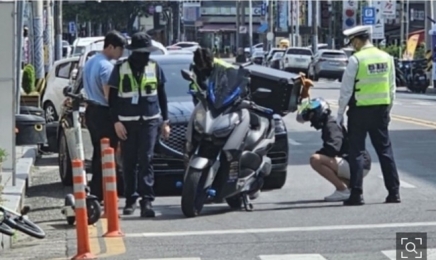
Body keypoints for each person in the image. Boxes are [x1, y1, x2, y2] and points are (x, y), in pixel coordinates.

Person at [107, 32, 170, 217]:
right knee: (129, 162)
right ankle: (131, 199)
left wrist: (165, 122)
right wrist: (116, 122)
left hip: (150, 121)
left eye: (147, 52)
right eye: (142, 52)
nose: (145, 55)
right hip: (127, 123)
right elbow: (112, 100)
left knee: (146, 159)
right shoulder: (120, 68)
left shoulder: (154, 67)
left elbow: (162, 96)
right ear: (133, 52)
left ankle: (147, 201)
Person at [337, 25, 400, 206]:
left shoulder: (356, 59)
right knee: (385, 151)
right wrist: (388, 111)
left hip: (359, 112)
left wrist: (340, 114)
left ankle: (357, 194)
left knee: (356, 152)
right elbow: (392, 88)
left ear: (357, 40)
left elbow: (346, 90)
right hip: (380, 111)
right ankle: (394, 193)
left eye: (353, 43)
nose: (353, 46)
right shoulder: (387, 58)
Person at [297, 98, 372, 202]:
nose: (312, 121)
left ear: (319, 112)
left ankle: (342, 190)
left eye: (311, 116)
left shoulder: (331, 125)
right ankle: (350, 188)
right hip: (358, 163)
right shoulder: (330, 122)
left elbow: (333, 148)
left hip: (358, 165)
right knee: (323, 158)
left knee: (315, 159)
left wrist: (319, 153)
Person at [83, 30, 126, 202]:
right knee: (108, 154)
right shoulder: (107, 67)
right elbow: (110, 97)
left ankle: (97, 190)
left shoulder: (91, 61)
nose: (121, 53)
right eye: (120, 49)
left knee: (98, 153)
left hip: (91, 111)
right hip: (104, 113)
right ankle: (104, 192)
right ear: (110, 47)